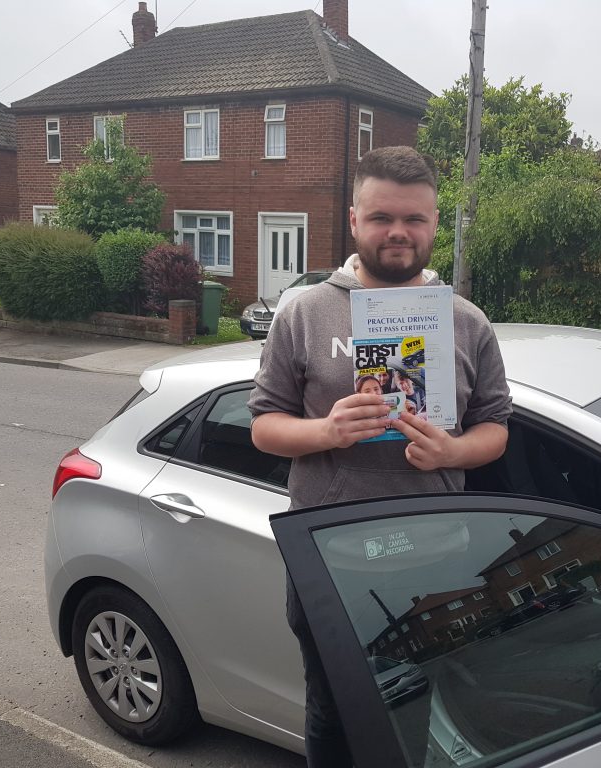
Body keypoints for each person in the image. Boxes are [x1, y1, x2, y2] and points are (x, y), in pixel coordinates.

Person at [248, 145, 512, 768]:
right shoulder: (305, 311)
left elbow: (496, 429)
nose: (399, 232)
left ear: (434, 225)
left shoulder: (467, 322)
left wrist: (452, 449)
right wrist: (328, 432)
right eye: (382, 217)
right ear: (354, 220)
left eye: (415, 219)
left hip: (438, 552)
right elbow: (263, 427)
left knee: (425, 707)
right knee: (333, 710)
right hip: (330, 554)